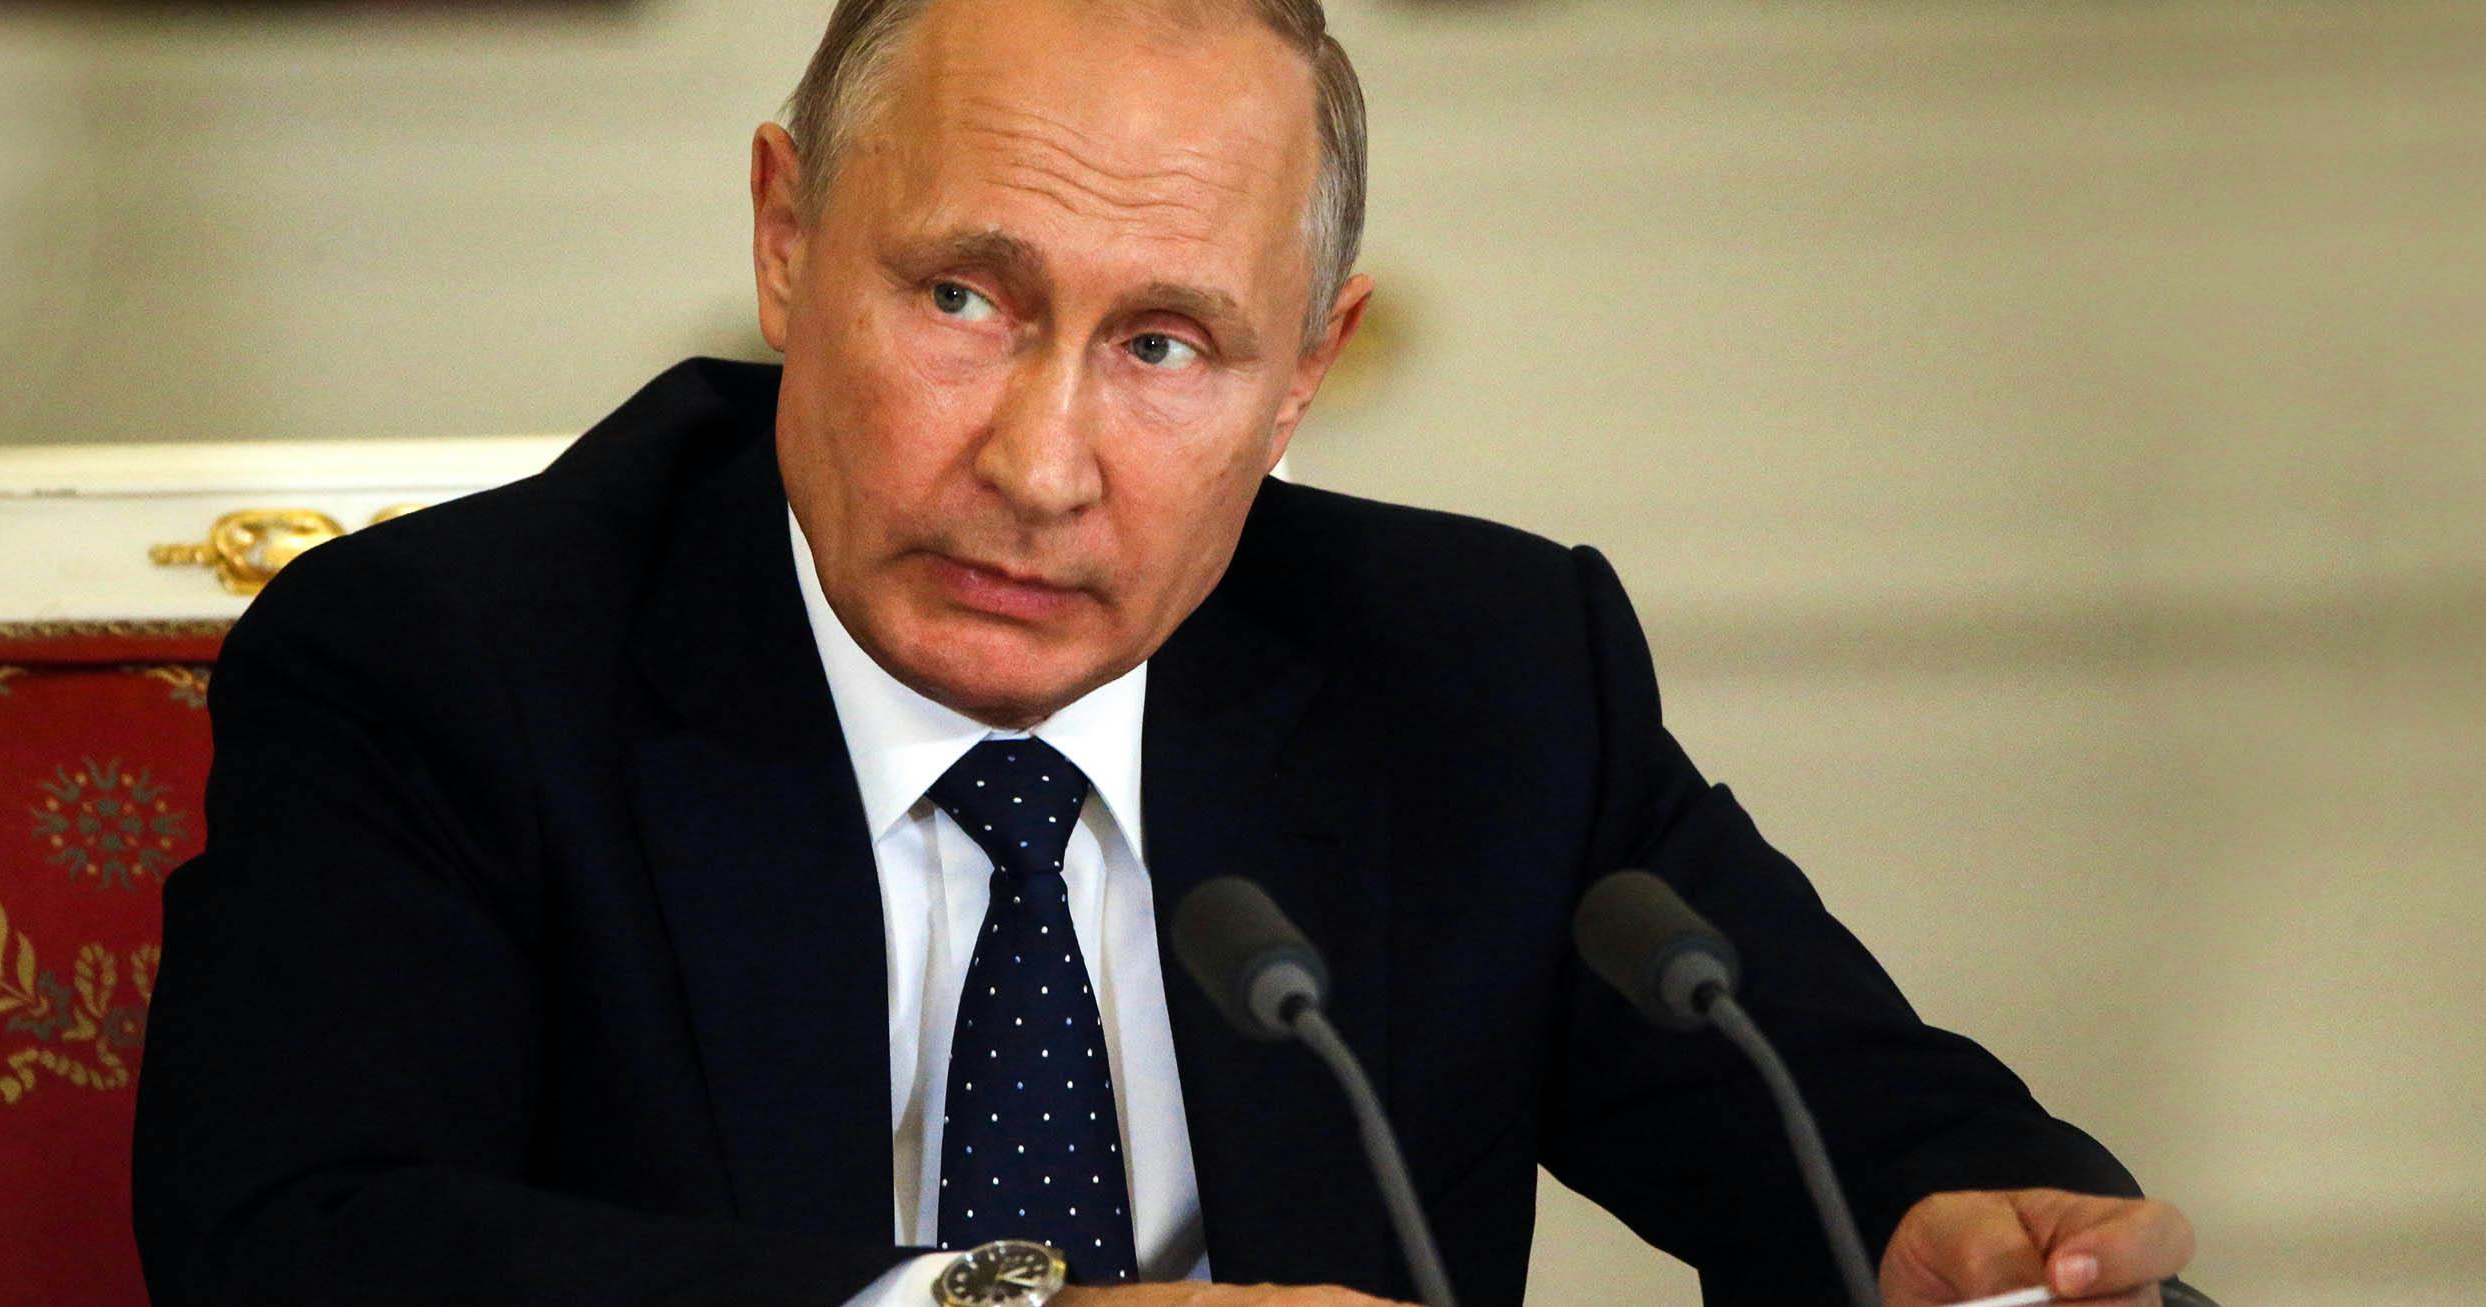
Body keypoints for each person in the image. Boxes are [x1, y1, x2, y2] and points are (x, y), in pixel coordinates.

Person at [131, 0, 2197, 1304]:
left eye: (1165, 345)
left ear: (1306, 369)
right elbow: (303, 1245)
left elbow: (1834, 1118)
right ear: (786, 234)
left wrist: (1967, 1224)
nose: (1040, 468)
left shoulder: (1477, 677)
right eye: (961, 298)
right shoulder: (449, 663)